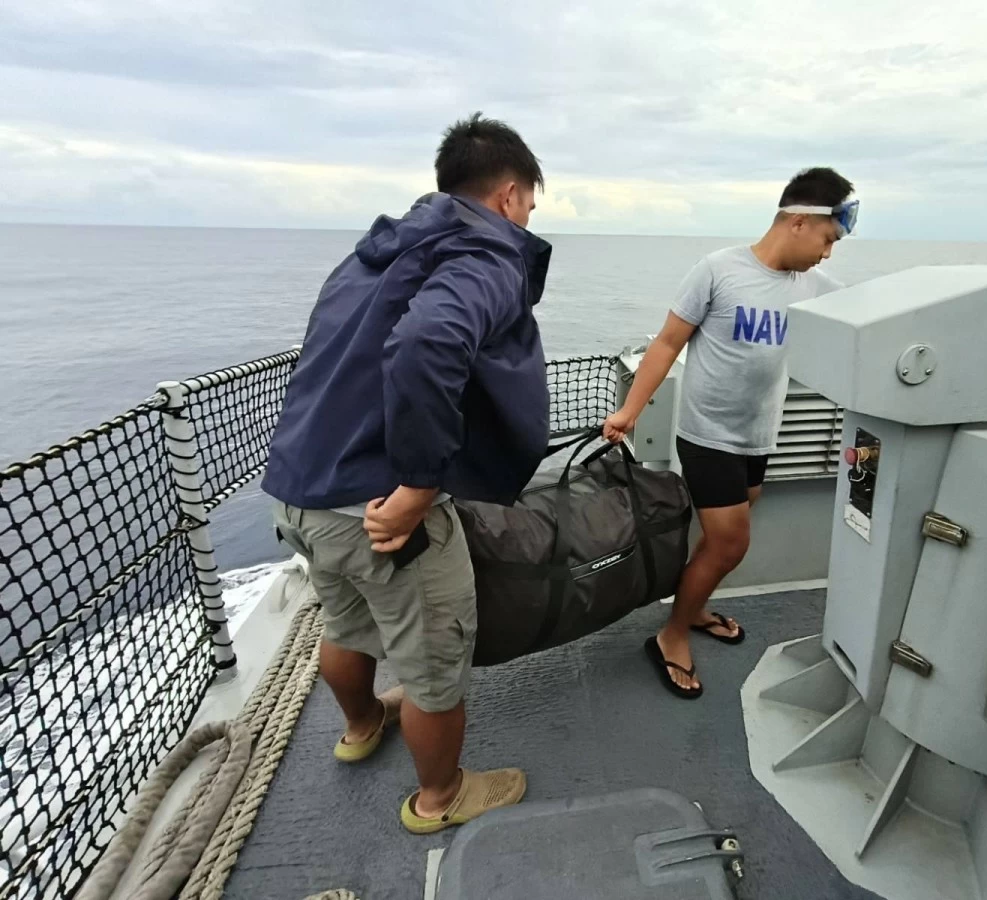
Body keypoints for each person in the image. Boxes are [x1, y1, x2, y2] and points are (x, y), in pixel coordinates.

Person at [261, 112, 552, 833]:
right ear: (510, 195)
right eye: (530, 205)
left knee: (344, 622)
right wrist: (420, 488)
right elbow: (430, 342)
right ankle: (441, 798)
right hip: (377, 512)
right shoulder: (485, 256)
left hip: (302, 487)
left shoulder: (381, 251)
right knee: (431, 667)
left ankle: (361, 728)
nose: (527, 218)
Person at [603, 168, 856, 698]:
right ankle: (672, 633)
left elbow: (870, 316)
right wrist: (630, 410)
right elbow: (669, 342)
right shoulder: (718, 271)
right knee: (731, 544)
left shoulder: (815, 287)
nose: (828, 254)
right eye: (828, 239)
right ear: (797, 221)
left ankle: (691, 610)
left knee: (725, 538)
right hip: (707, 434)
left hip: (758, 437)